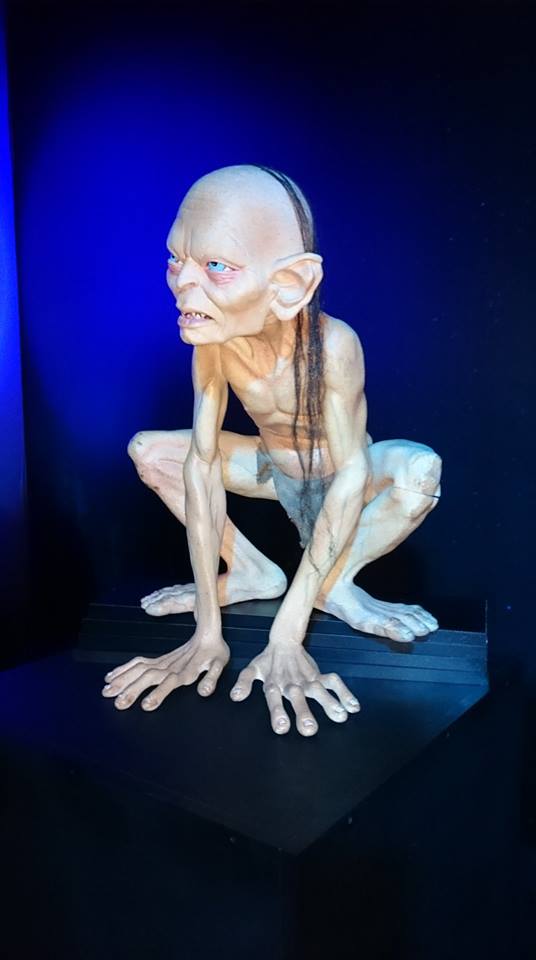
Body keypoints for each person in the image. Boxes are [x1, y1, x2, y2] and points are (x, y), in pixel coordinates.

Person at [102, 165, 442, 737]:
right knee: (151, 452)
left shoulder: (335, 345)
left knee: (419, 471)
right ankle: (252, 573)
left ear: (290, 284)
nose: (183, 283)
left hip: (342, 475)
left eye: (216, 266)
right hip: (270, 466)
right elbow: (202, 465)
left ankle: (333, 585)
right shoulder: (215, 342)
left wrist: (286, 634)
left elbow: (352, 474)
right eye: (176, 259)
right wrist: (206, 632)